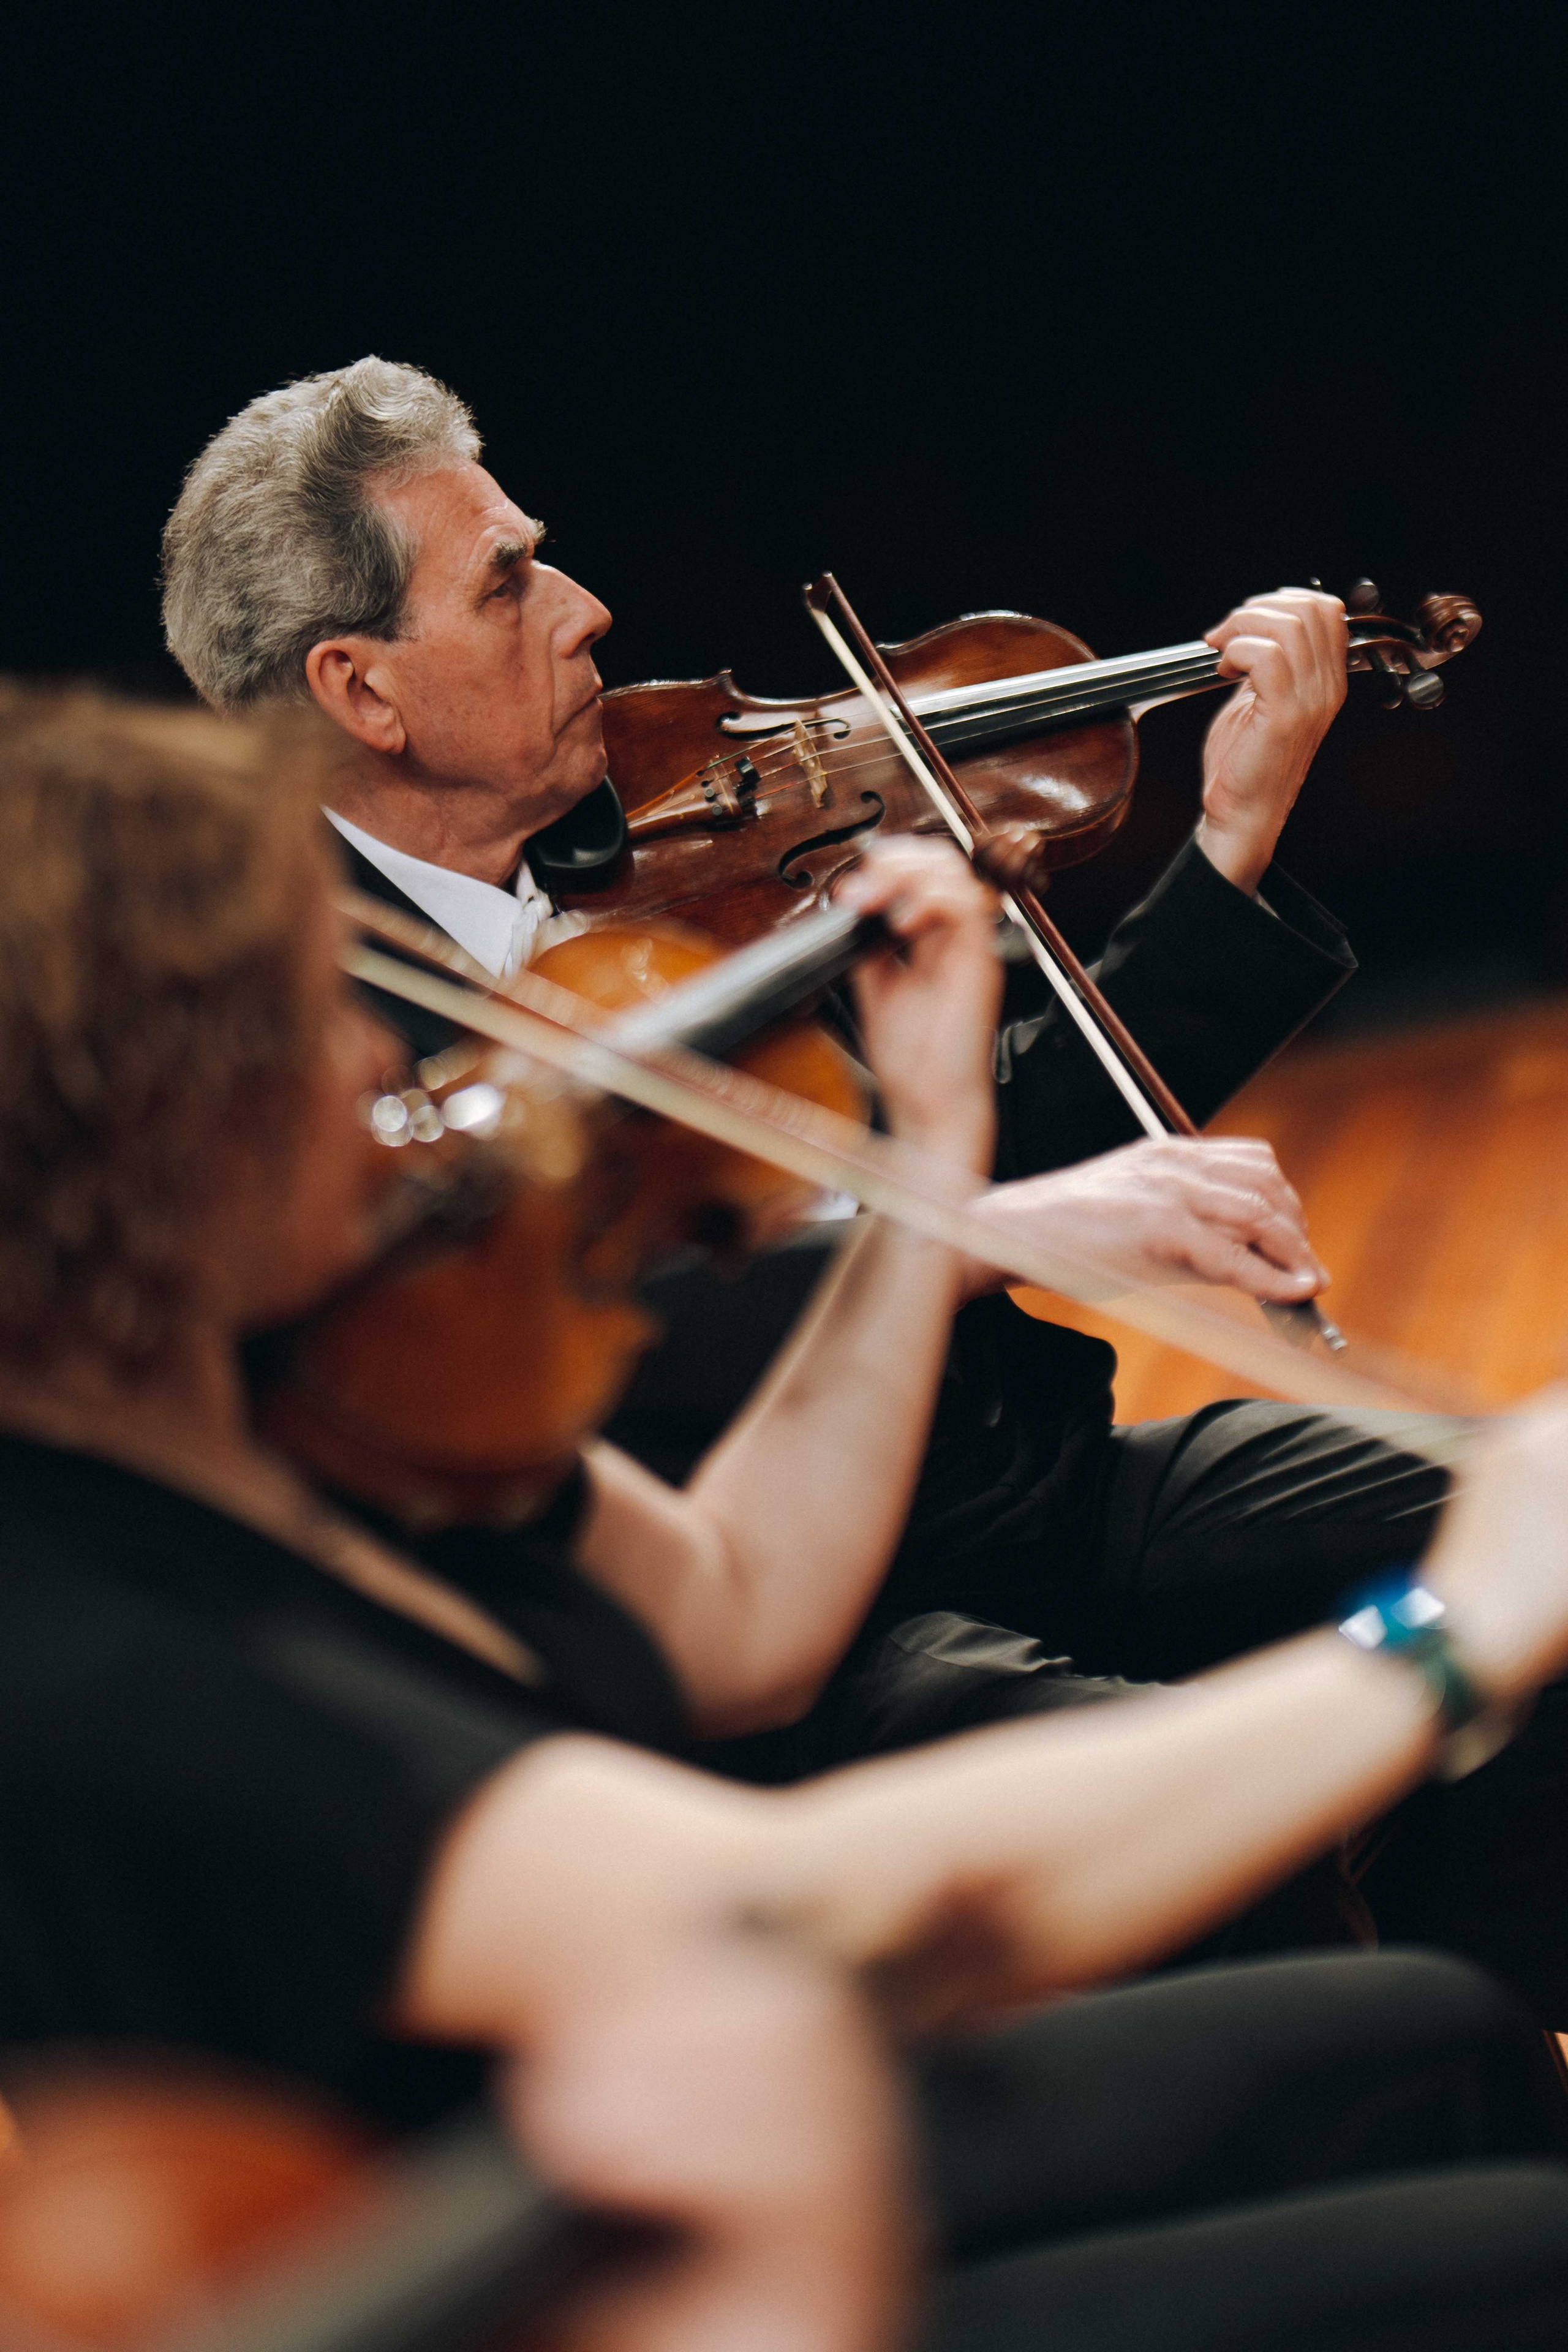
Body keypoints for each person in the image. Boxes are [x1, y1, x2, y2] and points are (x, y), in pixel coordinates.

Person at [9, 687, 1568, 2352]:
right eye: (309, 1016)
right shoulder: (85, 1644)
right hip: (598, 2287)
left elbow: (742, 1615)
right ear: (161, 1128)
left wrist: (940, 1155)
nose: (381, 1056)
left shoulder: (316, 1398)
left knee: (1435, 2029)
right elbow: (790, 1910)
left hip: (727, 2153)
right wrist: (1442, 1642)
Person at [158, 358, 1458, 1784]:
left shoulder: (653, 874)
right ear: (362, 691)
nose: (585, 609)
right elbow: (584, 1329)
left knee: (1509, 1524)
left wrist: (1232, 830)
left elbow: (1005, 1149)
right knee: (1198, 1796)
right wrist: (972, 1239)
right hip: (799, 1626)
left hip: (1010, 1486)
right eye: (506, 583)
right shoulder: (305, 1031)